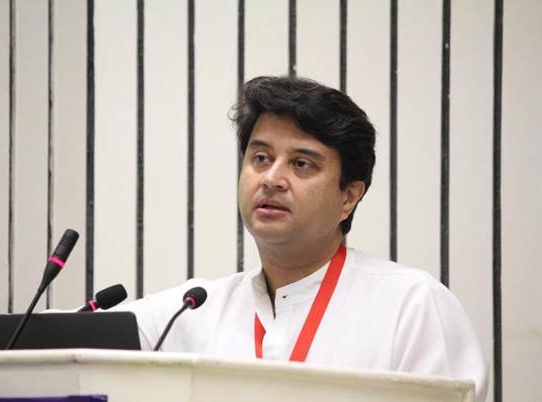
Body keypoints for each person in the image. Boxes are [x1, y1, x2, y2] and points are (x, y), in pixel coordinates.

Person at [114, 76, 488, 401]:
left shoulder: (412, 305)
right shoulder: (193, 308)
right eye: (261, 158)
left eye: (301, 164)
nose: (272, 179)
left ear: (349, 197)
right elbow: (80, 341)